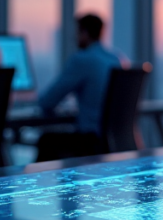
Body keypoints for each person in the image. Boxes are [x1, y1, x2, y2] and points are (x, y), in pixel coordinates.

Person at [36, 14, 124, 162]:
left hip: (91, 141)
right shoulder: (117, 59)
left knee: (46, 140)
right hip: (115, 141)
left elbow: (47, 101)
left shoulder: (82, 59)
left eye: (76, 32)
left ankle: (33, 184)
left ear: (84, 33)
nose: (74, 37)